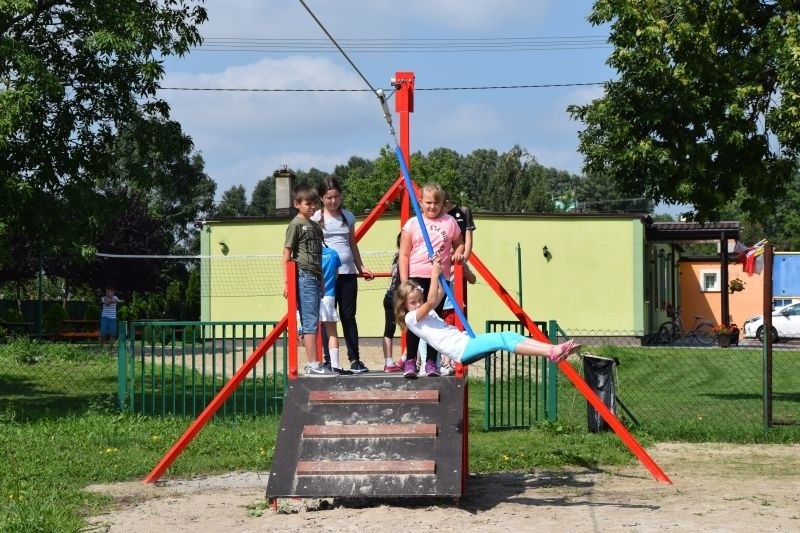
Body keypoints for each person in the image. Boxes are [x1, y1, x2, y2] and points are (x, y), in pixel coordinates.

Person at [395, 254, 580, 374]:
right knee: (504, 340)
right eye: (413, 302)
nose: (418, 304)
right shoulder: (411, 319)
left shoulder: (426, 315)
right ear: (403, 305)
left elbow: (439, 293)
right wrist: (434, 275)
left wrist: (440, 268)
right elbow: (431, 301)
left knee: (509, 336)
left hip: (464, 343)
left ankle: (551, 351)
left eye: (419, 300)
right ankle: (553, 352)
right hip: (460, 349)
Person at [399, 183, 464, 378]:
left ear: (443, 203)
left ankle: (431, 363)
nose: (432, 206)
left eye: (436, 203)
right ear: (420, 203)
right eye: (428, 202)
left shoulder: (449, 222)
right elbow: (403, 254)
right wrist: (404, 282)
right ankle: (411, 361)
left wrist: (459, 254)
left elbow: (459, 245)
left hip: (439, 278)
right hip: (416, 276)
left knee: (434, 319)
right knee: (415, 320)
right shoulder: (412, 224)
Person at [312, 176, 373, 374]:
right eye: (329, 197)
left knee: (349, 317)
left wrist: (361, 266)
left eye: (336, 196)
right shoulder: (316, 218)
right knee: (327, 317)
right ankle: (330, 361)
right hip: (326, 276)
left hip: (347, 274)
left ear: (341, 196)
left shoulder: (347, 216)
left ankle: (355, 359)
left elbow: (352, 244)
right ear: (322, 198)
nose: (333, 201)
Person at [282, 184, 335, 377]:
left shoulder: (314, 226)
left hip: (315, 276)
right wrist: (287, 282)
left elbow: (319, 255)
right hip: (304, 275)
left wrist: (321, 280)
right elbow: (287, 254)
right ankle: (313, 364)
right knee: (310, 321)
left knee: (315, 319)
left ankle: (315, 362)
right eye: (308, 203)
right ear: (297, 204)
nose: (312, 206)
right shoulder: (296, 224)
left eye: (314, 203)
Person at [439, 261, 477, 375]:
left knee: (452, 333)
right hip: (439, 305)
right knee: (439, 334)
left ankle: (446, 362)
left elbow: (473, 279)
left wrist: (465, 268)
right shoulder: (440, 263)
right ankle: (421, 360)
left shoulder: (459, 264)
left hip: (452, 306)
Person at [321, 245, 351, 374]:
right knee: (332, 332)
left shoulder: (308, 254)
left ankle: (313, 364)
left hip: (311, 296)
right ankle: (335, 365)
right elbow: (337, 275)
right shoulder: (333, 253)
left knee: (309, 331)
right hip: (328, 295)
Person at [381, 233, 404, 373]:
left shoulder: (396, 257)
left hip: (389, 295)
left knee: (389, 329)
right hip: (400, 296)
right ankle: (406, 358)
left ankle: (388, 362)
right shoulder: (408, 257)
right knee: (416, 329)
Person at [444, 191, 476, 262]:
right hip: (443, 258)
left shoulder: (463, 211)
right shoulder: (438, 215)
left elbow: (468, 240)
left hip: (459, 257)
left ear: (447, 202)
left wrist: (464, 259)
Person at [99, 286, 122, 351]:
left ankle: (111, 348)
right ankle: (101, 348)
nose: (107, 293)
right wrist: (113, 301)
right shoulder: (104, 298)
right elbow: (107, 304)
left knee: (113, 333)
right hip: (105, 317)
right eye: (106, 292)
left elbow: (119, 301)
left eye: (109, 292)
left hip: (113, 318)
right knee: (103, 332)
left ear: (112, 292)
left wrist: (117, 301)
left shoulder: (116, 297)